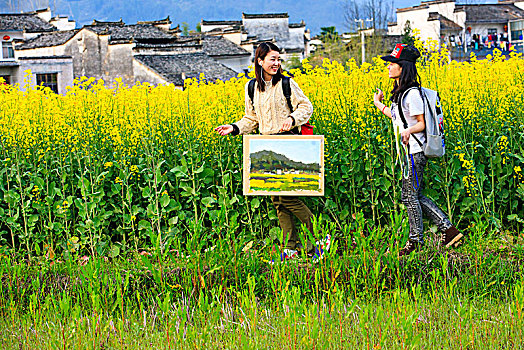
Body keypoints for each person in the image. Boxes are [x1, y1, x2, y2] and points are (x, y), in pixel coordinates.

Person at [215, 42, 317, 259]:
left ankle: (315, 240)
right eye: (272, 59)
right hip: (265, 145)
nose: (277, 63)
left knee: (288, 196)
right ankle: (291, 248)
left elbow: (306, 107)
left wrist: (292, 118)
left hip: (289, 143)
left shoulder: (287, 84)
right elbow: (251, 119)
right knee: (277, 201)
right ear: (260, 61)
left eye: (278, 59)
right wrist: (233, 128)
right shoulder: (251, 87)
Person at [372, 43, 463, 256]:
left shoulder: (412, 94)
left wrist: (408, 131)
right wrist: (379, 104)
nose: (388, 67)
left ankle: (416, 240)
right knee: (415, 194)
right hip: (408, 152)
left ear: (402, 67)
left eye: (392, 64)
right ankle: (448, 230)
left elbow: (421, 123)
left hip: (415, 152)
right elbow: (399, 118)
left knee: (409, 196)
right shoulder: (402, 92)